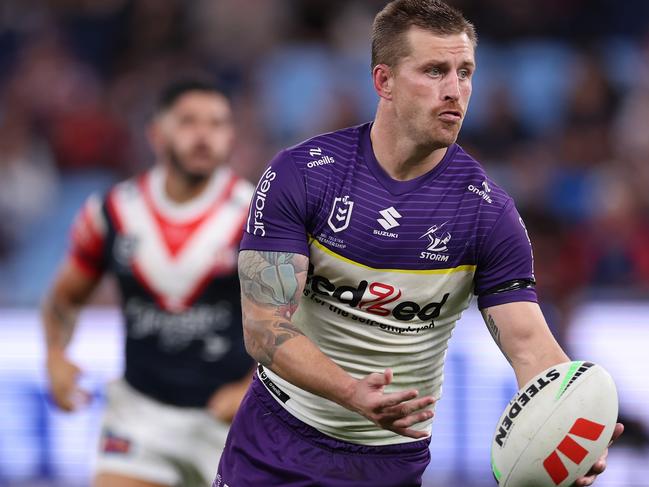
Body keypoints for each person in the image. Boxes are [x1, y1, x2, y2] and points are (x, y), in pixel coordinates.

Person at [215, 1, 624, 487]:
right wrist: (352, 392)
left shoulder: (487, 214)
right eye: (434, 71)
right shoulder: (302, 175)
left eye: (464, 72)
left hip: (390, 462)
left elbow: (531, 346)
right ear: (383, 81)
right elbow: (263, 330)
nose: (454, 90)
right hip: (275, 442)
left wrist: (570, 428)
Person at [42, 79, 255, 487]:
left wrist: (251, 386)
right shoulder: (112, 213)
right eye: (189, 122)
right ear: (157, 133)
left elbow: (298, 317)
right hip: (139, 415)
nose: (204, 135)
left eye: (217, 124)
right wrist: (55, 354)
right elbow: (64, 298)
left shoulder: (256, 215)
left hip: (229, 420)